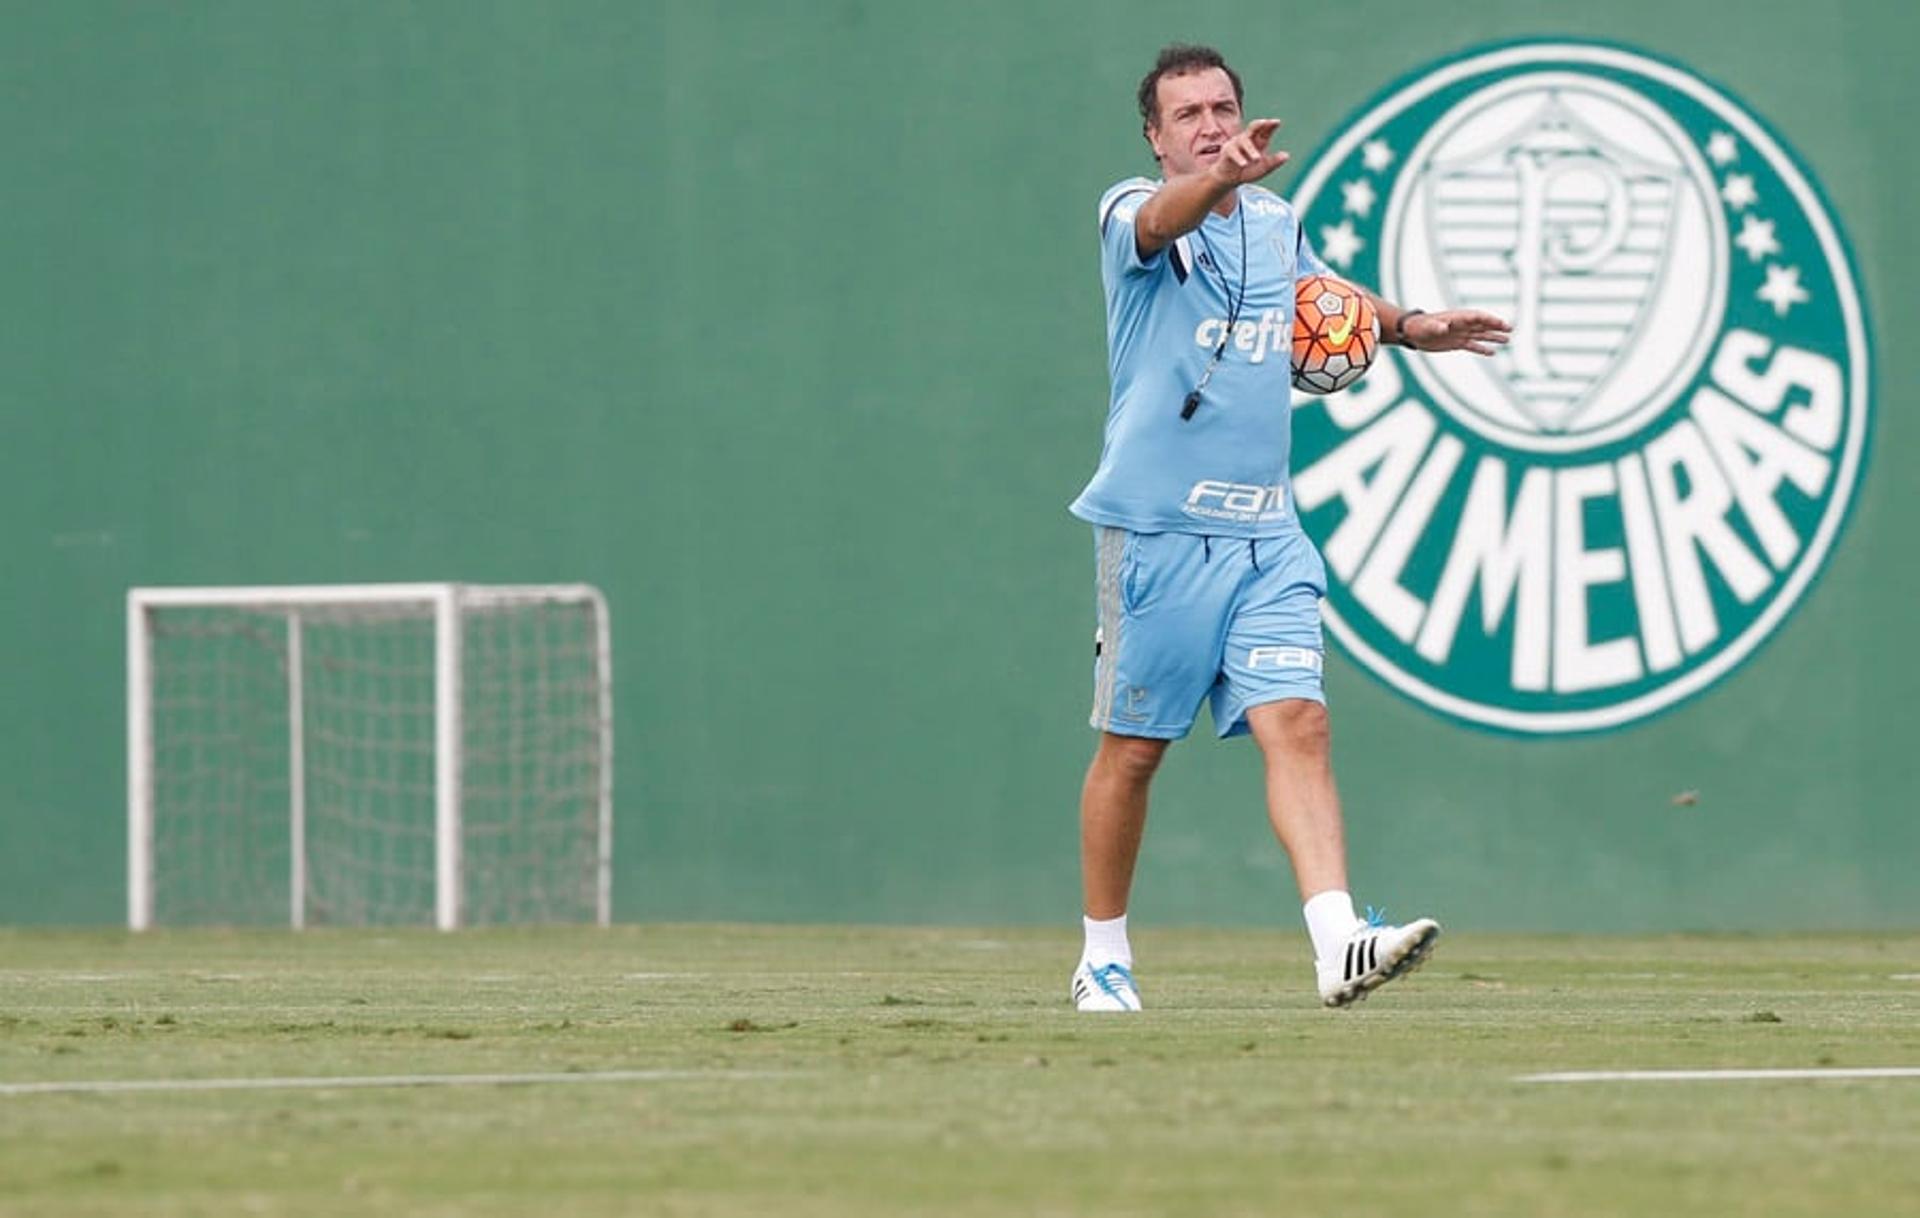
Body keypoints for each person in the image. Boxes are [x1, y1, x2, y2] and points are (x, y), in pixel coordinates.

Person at [1068, 44, 1511, 1013]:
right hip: (1158, 533)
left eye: (1222, 107)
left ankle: (1337, 941)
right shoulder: (1132, 213)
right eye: (1187, 114)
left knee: (1299, 723)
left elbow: (1325, 302)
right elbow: (1158, 217)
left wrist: (1410, 326)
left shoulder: (1272, 220)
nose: (1211, 124)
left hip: (1269, 535)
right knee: (1134, 750)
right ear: (1154, 136)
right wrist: (1210, 181)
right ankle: (1103, 953)